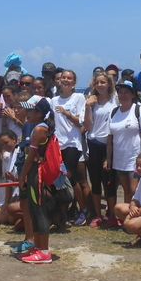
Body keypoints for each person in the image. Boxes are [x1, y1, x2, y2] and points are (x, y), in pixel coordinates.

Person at [16, 99, 56, 263]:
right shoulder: (37, 127)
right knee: (33, 209)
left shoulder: (40, 129)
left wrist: (22, 176)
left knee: (39, 211)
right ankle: (38, 247)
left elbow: (30, 157)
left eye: (30, 110)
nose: (26, 112)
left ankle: (44, 251)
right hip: (33, 172)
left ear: (39, 113)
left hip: (36, 173)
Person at [50, 69, 90, 225]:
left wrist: (67, 114)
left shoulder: (78, 97)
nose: (66, 80)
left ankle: (83, 208)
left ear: (74, 82)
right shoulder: (54, 101)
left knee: (70, 176)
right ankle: (62, 212)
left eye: (69, 78)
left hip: (73, 142)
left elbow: (80, 121)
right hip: (57, 144)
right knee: (58, 178)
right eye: (63, 78)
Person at [105, 80, 141, 214]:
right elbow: (110, 137)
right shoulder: (113, 112)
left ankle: (140, 216)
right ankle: (127, 217)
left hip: (135, 158)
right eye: (120, 92)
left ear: (132, 94)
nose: (123, 95)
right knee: (126, 190)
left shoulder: (139, 110)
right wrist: (108, 158)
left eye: (126, 92)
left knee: (134, 191)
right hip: (119, 159)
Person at [83, 70, 118, 227]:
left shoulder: (115, 101)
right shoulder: (92, 102)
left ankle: (111, 214)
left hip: (109, 145)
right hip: (93, 143)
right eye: (97, 82)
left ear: (109, 84)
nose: (100, 85)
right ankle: (97, 215)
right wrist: (87, 107)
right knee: (95, 182)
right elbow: (88, 125)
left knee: (109, 182)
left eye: (103, 82)